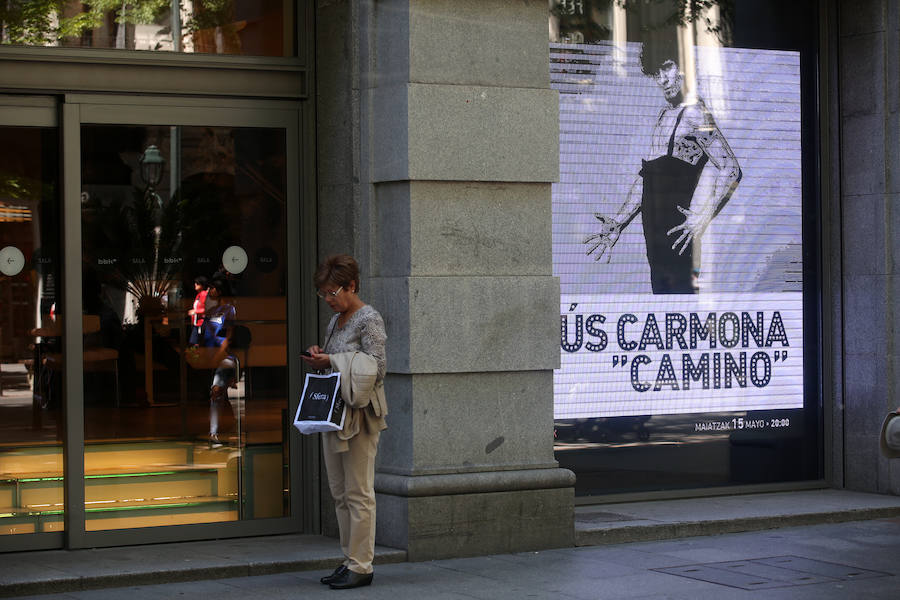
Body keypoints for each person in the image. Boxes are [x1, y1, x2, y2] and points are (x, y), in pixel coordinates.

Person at [583, 33, 742, 294]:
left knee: (681, 304)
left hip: (676, 239)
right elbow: (649, 177)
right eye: (656, 73)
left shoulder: (693, 112)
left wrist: (703, 217)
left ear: (682, 65)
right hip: (656, 239)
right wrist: (618, 223)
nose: (663, 79)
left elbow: (731, 169)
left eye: (667, 67)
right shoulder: (665, 115)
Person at [302, 254, 387, 590]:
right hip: (334, 414)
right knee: (339, 492)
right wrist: (321, 358)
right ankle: (348, 559)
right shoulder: (335, 321)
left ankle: (361, 565)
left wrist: (333, 359)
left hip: (360, 416)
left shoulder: (369, 319)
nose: (328, 299)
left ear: (351, 286)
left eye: (332, 292)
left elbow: (378, 367)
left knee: (359, 491)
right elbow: (341, 363)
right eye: (323, 293)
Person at [192, 278, 239, 446]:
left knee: (217, 390)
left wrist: (219, 354)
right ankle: (219, 430)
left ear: (219, 290)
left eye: (212, 287)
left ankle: (214, 433)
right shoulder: (211, 311)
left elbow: (229, 336)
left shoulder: (229, 310)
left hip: (224, 357)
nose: (210, 290)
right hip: (209, 357)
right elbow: (202, 335)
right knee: (216, 394)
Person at [187, 275, 209, 346]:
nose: (195, 284)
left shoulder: (203, 294)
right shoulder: (199, 295)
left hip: (201, 323)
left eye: (198, 283)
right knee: (194, 343)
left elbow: (207, 309)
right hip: (197, 323)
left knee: (196, 343)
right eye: (195, 283)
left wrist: (195, 311)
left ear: (202, 285)